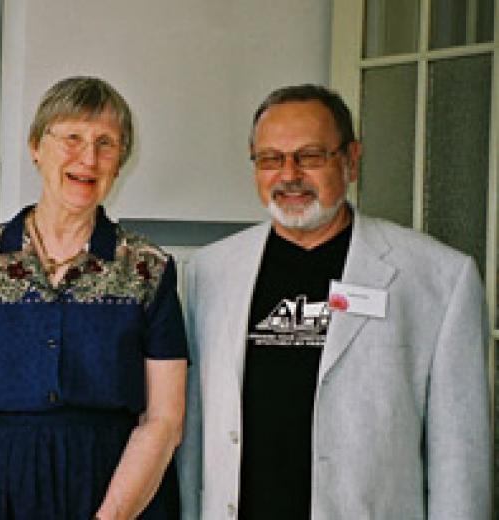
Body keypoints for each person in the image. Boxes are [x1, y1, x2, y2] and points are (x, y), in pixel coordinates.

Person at [177, 84, 490, 519]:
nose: (289, 175)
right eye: (270, 159)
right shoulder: (209, 273)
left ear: (351, 161)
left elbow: (460, 455)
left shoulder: (438, 278)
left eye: (309, 156)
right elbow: (192, 437)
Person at [0, 76, 188, 519]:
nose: (88, 158)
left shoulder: (148, 268)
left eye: (106, 143)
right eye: (72, 138)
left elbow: (164, 419)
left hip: (116, 489)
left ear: (120, 163)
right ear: (35, 146)